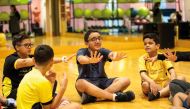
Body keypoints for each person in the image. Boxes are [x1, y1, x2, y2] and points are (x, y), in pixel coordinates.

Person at [2, 34, 75, 100]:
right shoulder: (10, 59)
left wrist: (62, 59)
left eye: (30, 45)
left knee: (51, 81)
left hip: (26, 88)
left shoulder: (32, 58)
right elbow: (25, 62)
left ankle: (48, 99)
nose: (29, 47)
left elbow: (45, 59)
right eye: (26, 45)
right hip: (11, 93)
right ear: (17, 47)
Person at [75, 30, 135, 104]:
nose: (97, 41)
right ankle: (114, 97)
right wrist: (89, 60)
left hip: (103, 82)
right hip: (88, 84)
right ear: (86, 43)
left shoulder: (102, 51)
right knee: (79, 83)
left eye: (99, 38)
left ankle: (95, 98)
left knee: (126, 80)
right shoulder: (82, 51)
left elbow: (111, 54)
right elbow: (80, 59)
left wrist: (114, 57)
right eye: (93, 39)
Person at [16, 44, 81, 109]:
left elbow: (47, 100)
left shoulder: (30, 74)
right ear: (51, 62)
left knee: (64, 100)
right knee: (76, 106)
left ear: (33, 60)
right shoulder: (42, 81)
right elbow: (49, 107)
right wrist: (63, 88)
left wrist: (52, 83)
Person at [138, 33, 184, 101]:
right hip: (151, 83)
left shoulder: (162, 56)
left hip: (164, 83)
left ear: (157, 46)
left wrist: (173, 82)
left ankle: (158, 94)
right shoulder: (142, 58)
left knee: (181, 78)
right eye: (145, 44)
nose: (147, 45)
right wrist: (151, 82)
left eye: (150, 43)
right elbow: (142, 74)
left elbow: (172, 71)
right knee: (145, 85)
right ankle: (168, 92)